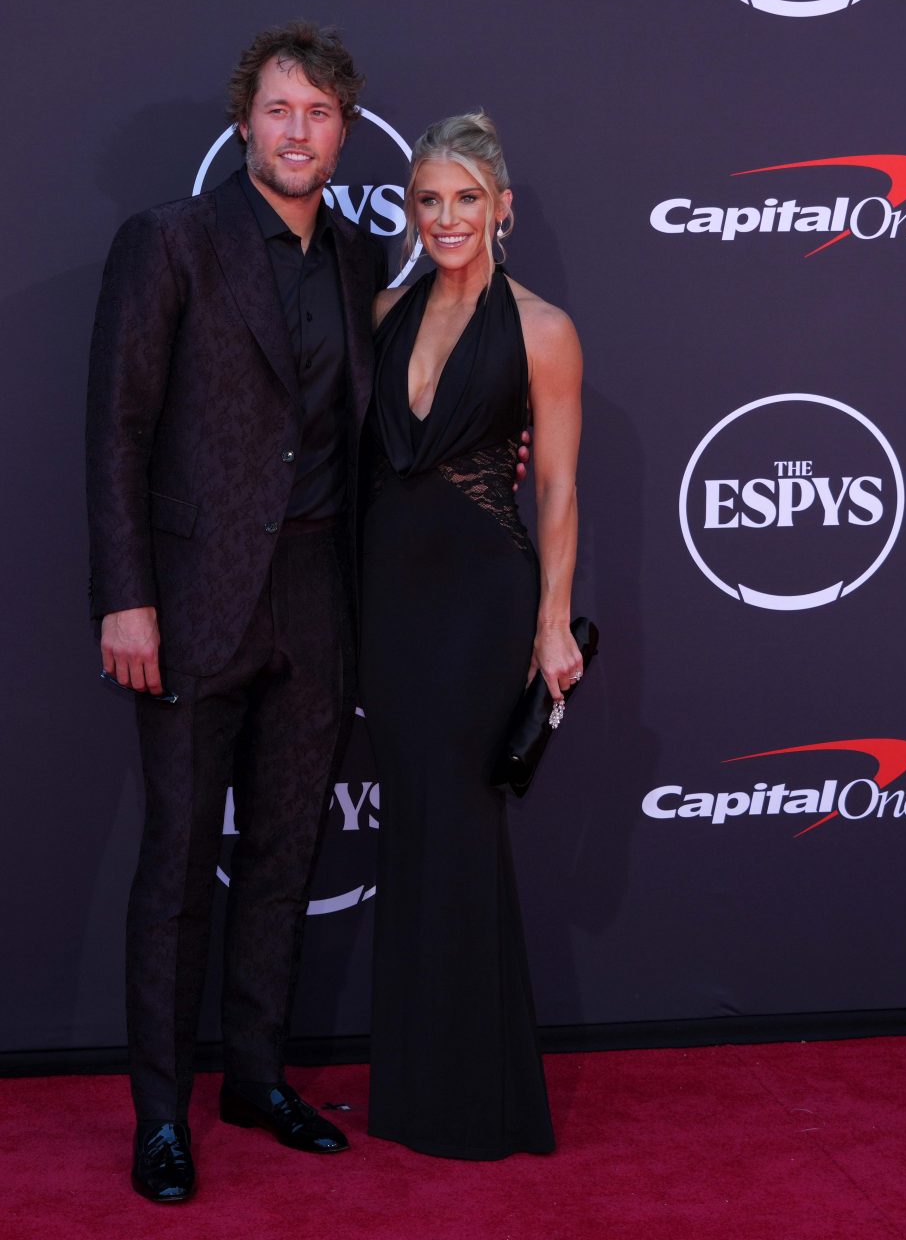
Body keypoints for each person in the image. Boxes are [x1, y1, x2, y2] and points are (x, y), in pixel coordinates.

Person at [84, 21, 391, 1204]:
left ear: (345, 133)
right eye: (278, 110)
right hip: (191, 601)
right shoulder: (170, 243)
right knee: (174, 866)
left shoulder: (364, 263)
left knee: (283, 855)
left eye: (318, 113)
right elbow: (117, 429)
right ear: (245, 123)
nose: (297, 131)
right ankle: (161, 1114)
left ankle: (255, 1077)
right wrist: (127, 595)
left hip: (318, 599)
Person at [360, 111, 584, 1160]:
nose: (446, 217)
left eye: (465, 198)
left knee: (459, 828)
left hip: (481, 602)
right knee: (414, 828)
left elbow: (557, 485)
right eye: (428, 199)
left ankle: (478, 1096)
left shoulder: (542, 327)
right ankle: (413, 1085)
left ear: (503, 207)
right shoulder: (387, 310)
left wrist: (551, 627)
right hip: (391, 605)